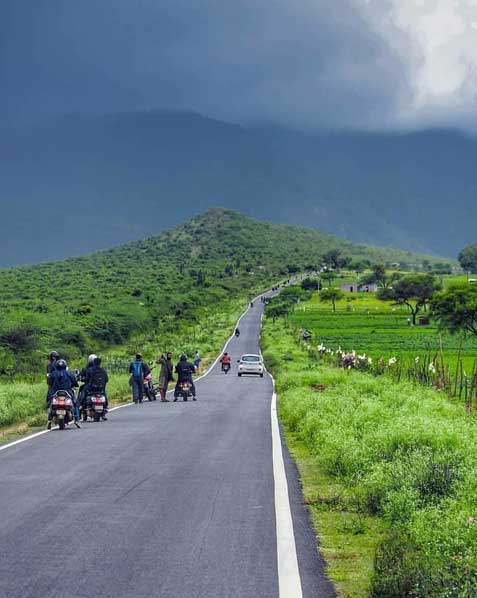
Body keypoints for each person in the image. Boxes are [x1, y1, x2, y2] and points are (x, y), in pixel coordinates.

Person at [47, 359, 81, 428]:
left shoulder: (53, 374)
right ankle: (77, 419)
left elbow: (49, 383)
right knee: (74, 403)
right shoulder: (69, 373)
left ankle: (49, 420)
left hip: (55, 392)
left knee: (50, 404)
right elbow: (75, 383)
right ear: (65, 366)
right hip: (68, 392)